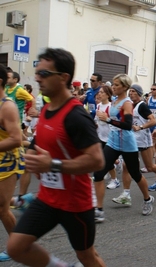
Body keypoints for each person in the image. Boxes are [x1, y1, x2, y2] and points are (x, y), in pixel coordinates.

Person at [7, 48, 105, 266]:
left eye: (44, 73)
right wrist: (31, 153)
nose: (37, 78)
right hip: (47, 199)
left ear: (63, 78)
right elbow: (39, 140)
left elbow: (97, 160)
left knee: (87, 256)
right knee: (16, 247)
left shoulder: (76, 115)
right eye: (37, 72)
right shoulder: (47, 108)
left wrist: (52, 164)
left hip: (76, 203)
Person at [93, 74, 154, 221]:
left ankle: (147, 199)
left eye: (117, 85)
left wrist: (107, 119)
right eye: (113, 84)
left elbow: (127, 125)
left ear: (125, 87)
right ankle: (99, 210)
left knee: (135, 174)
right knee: (99, 173)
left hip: (127, 144)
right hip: (113, 142)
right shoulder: (114, 100)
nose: (113, 87)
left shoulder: (126, 103)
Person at [112, 84, 156, 208]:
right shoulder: (128, 105)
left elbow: (154, 121)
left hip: (143, 140)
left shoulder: (142, 106)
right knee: (126, 166)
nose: (131, 93)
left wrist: (140, 127)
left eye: (133, 91)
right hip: (131, 140)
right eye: (130, 91)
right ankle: (126, 194)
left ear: (139, 93)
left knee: (150, 166)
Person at [0, 65, 25, 262]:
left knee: (1, 209)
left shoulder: (7, 106)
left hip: (8, 161)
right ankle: (21, 201)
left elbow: (16, 139)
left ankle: (19, 247)